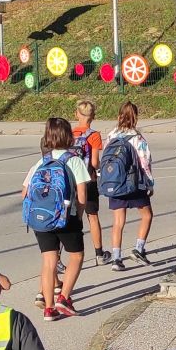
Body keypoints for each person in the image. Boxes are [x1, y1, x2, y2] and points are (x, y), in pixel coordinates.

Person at [21, 117, 91, 321]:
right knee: (76, 256)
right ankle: (64, 298)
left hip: (41, 219)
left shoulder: (41, 162)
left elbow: (25, 192)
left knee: (48, 261)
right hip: (66, 217)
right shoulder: (74, 160)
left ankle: (49, 308)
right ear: (69, 136)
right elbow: (82, 195)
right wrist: (79, 215)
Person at [103, 101, 156, 269]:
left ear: (119, 116)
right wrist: (149, 184)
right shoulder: (137, 138)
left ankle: (116, 259)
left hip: (116, 183)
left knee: (118, 221)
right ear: (136, 118)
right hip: (134, 183)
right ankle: (138, 249)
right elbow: (144, 161)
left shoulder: (111, 135)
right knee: (147, 215)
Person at [71, 100, 112, 267]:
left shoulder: (69, 134)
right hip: (88, 180)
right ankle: (99, 254)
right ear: (93, 116)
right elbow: (94, 162)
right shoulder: (94, 135)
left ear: (76, 114)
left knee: (69, 217)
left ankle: (58, 257)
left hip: (71, 180)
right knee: (92, 217)